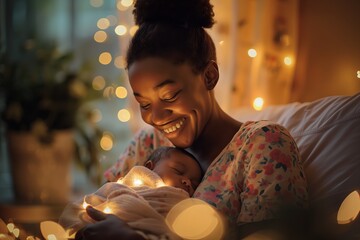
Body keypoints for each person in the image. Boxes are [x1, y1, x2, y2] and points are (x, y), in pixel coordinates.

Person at [75, 0, 308, 239]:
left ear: (209, 76)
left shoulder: (263, 145)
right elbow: (92, 213)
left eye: (170, 95)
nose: (154, 117)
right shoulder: (147, 145)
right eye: (144, 104)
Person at [62, 147, 202, 239]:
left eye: (194, 183)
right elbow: (89, 204)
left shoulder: (183, 206)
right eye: (178, 171)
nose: (187, 182)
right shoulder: (124, 187)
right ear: (149, 168)